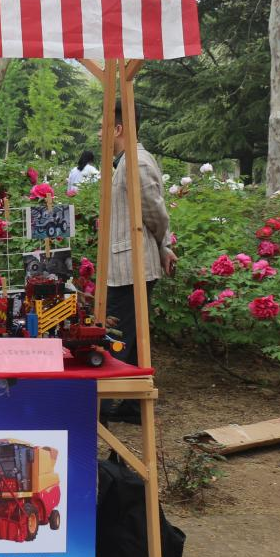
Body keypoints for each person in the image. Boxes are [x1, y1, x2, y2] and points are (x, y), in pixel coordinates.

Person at [103, 103, 176, 424]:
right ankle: (132, 407)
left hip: (132, 267)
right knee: (131, 336)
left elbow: (155, 213)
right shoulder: (126, 162)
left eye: (104, 127)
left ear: (118, 128)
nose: (100, 134)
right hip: (126, 265)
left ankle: (102, 405)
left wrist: (163, 245)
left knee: (116, 335)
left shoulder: (138, 162)